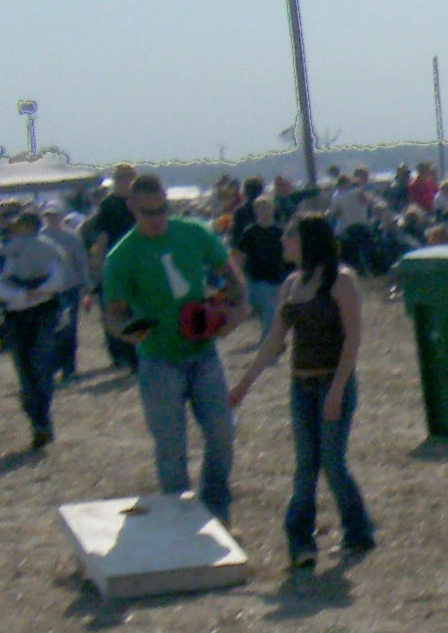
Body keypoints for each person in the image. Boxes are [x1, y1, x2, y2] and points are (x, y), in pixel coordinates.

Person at [229, 214, 374, 570]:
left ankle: (357, 530)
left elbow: (352, 339)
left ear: (308, 240)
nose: (283, 243)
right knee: (305, 465)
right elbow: (274, 342)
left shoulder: (341, 281)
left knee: (332, 462)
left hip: (332, 382)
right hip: (302, 384)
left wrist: (337, 390)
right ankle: (300, 541)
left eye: (290, 237)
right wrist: (242, 386)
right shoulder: (291, 284)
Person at [100, 175, 249, 521]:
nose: (157, 218)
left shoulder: (194, 232)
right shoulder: (121, 256)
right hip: (158, 360)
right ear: (132, 209)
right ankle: (180, 524)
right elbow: (113, 316)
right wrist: (131, 332)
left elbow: (230, 274)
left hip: (203, 353)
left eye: (162, 209)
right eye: (148, 212)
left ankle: (216, 512)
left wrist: (237, 309)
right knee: (171, 449)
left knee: (222, 433)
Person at [1, 209, 73, 449]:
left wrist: (28, 294)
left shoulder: (45, 248)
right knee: (27, 372)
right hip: (18, 315)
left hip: (42, 312)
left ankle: (40, 420)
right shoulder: (7, 252)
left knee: (39, 367)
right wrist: (26, 294)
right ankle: (39, 419)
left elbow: (58, 278)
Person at [81, 163, 142, 370]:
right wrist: (98, 265)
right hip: (116, 263)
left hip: (140, 261)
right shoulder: (109, 205)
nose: (126, 181)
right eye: (122, 177)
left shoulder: (139, 201)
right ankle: (122, 354)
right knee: (116, 310)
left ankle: (138, 352)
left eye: (129, 176)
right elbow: (102, 236)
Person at [37, 204, 90, 382]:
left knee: (69, 329)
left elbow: (80, 262)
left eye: (54, 215)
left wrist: (87, 285)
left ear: (61, 216)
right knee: (49, 331)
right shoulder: (40, 237)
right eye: (48, 215)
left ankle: (69, 368)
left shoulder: (71, 237)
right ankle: (51, 368)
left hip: (69, 288)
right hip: (49, 291)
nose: (51, 218)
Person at [232, 195, 288, 341]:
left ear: (273, 209)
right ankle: (269, 342)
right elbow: (240, 255)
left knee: (275, 312)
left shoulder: (279, 232)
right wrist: (236, 276)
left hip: (277, 277)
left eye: (267, 208)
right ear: (255, 211)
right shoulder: (250, 232)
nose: (264, 211)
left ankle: (273, 339)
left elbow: (289, 254)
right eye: (260, 208)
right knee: (269, 310)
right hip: (257, 278)